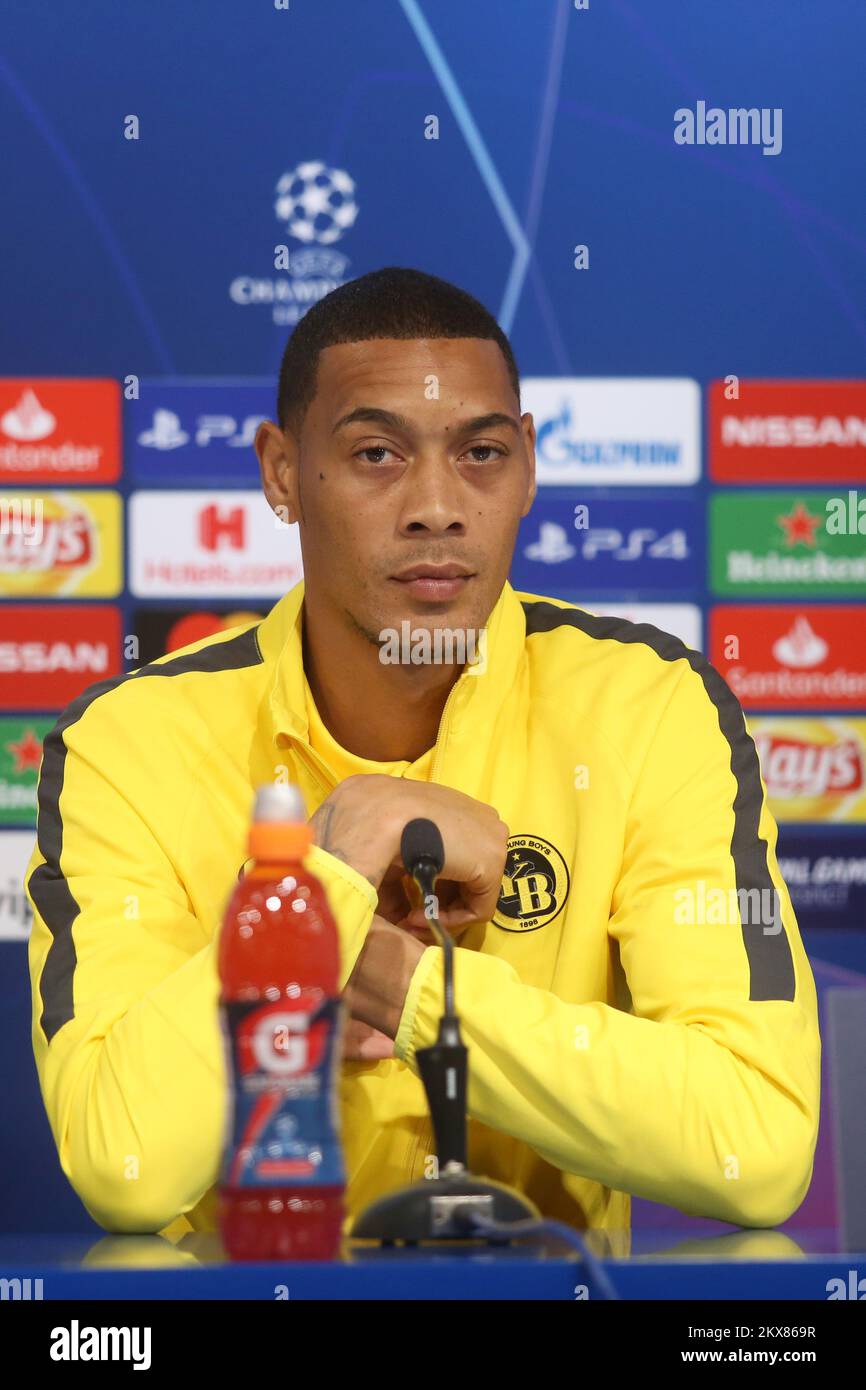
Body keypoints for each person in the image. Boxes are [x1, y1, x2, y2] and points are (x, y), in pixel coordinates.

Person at [25, 267, 820, 1242]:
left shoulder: (650, 707)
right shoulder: (127, 740)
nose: (436, 507)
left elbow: (757, 1145)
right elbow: (125, 1164)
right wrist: (322, 873)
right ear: (280, 471)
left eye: (480, 451)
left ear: (527, 465)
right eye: (375, 454)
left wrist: (399, 984)